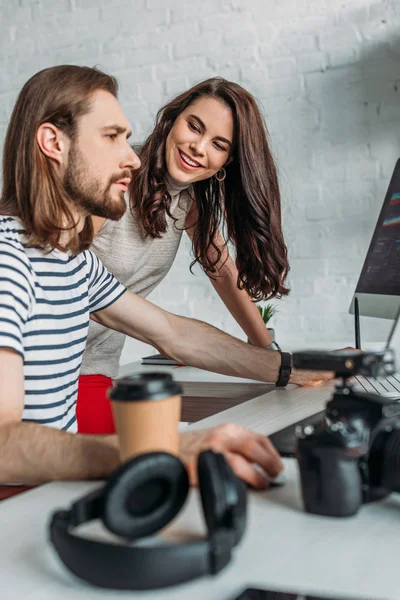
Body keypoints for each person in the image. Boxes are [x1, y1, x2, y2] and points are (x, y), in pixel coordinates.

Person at [0, 65, 332, 488]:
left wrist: (286, 366)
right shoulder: (11, 261)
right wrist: (163, 450)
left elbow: (175, 332)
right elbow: (4, 447)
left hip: (52, 459)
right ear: (53, 143)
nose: (133, 158)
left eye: (219, 145)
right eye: (111, 137)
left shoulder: (73, 263)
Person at [77, 78, 300, 434]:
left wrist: (270, 353)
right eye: (194, 127)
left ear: (228, 161)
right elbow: (57, 276)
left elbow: (222, 271)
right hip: (42, 363)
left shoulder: (188, 202)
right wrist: (275, 365)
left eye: (218, 144)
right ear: (172, 120)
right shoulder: (115, 179)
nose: (198, 147)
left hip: (93, 367)